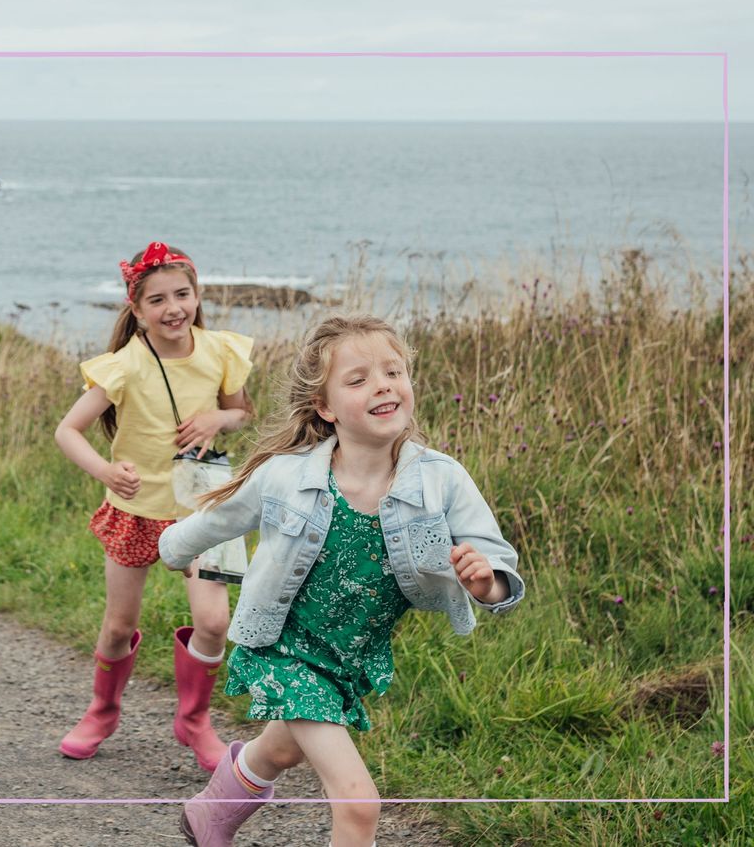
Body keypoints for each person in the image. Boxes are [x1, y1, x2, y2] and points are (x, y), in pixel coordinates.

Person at [159, 315, 526, 847]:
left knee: (282, 750)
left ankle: (209, 813)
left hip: (350, 658)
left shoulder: (442, 480)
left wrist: (484, 581)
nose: (382, 384)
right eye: (358, 379)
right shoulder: (287, 476)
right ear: (325, 407)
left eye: (393, 372)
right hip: (284, 647)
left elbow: (497, 567)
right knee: (359, 804)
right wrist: (171, 549)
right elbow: (218, 519)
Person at [55, 241, 255, 773]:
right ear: (137, 310)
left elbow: (241, 413)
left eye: (183, 294)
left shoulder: (220, 352)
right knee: (119, 625)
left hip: (203, 505)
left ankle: (194, 720)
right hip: (138, 508)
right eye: (159, 299)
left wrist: (216, 418)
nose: (174, 308)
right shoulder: (124, 366)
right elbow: (67, 429)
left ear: (197, 294)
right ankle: (102, 711)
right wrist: (104, 470)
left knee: (214, 622)